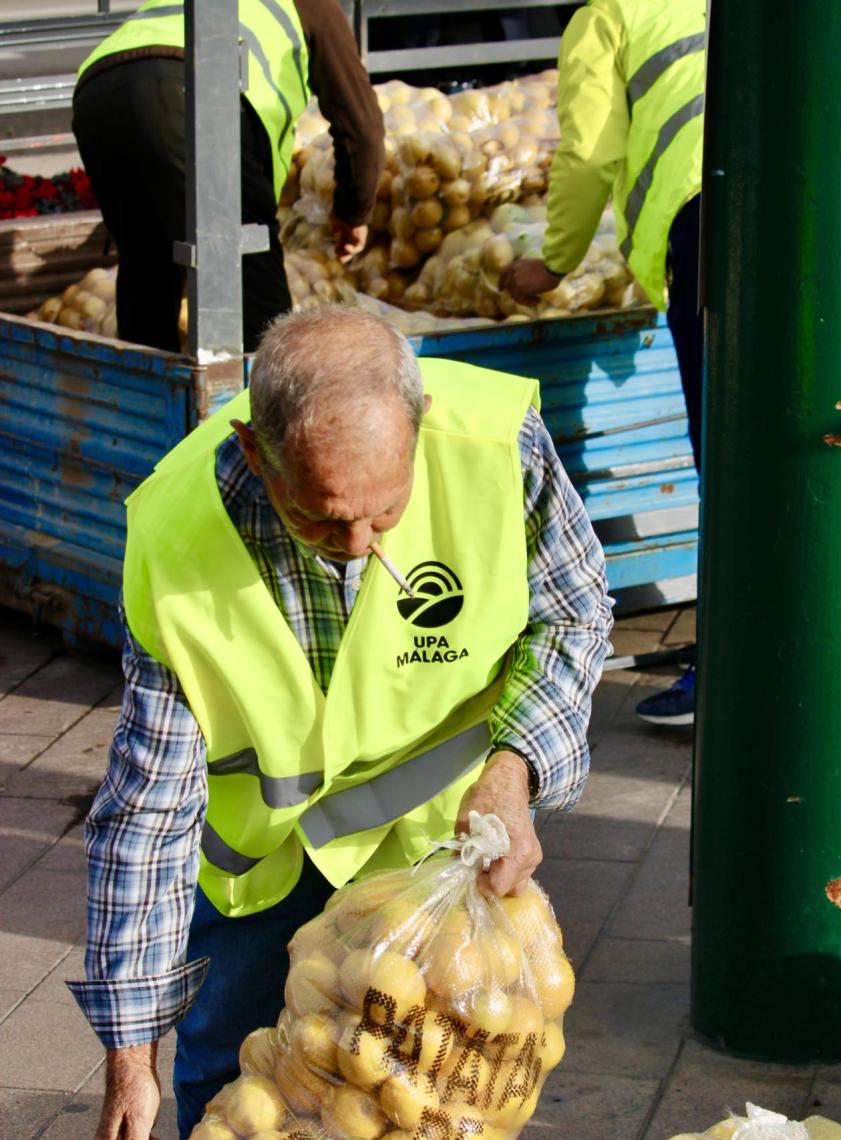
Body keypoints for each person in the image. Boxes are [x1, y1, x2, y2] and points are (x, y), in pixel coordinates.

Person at [67, 306, 614, 1139]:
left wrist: (515, 770)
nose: (357, 545)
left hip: (439, 853)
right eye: (321, 517)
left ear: (418, 424)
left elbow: (572, 617)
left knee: (432, 1098)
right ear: (255, 451)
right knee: (235, 1088)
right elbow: (147, 814)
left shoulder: (499, 447)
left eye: (385, 512)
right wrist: (128, 1060)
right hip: (263, 875)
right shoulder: (175, 538)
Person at [500, 0, 705, 727]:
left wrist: (552, 261)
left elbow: (588, 154)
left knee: (733, 463)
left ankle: (724, 679)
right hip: (811, 207)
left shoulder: (609, 13)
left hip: (712, 224)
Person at [71, 0, 384, 354]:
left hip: (97, 93)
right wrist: (354, 212)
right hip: (185, 88)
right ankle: (259, 403)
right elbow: (361, 127)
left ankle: (148, 401)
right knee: (252, 286)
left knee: (147, 274)